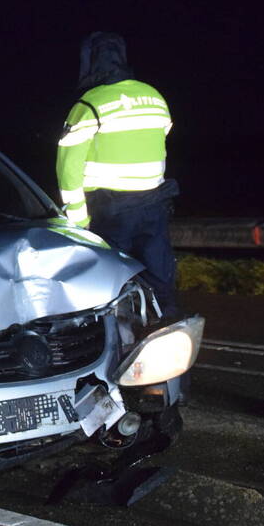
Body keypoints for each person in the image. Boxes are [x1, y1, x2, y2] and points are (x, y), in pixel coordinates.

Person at [56, 31, 180, 318]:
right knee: (158, 275)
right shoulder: (155, 97)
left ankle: (113, 343)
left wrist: (77, 218)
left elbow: (68, 166)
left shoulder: (89, 104)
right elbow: (160, 137)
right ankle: (167, 328)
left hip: (110, 210)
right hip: (154, 204)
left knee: (108, 284)